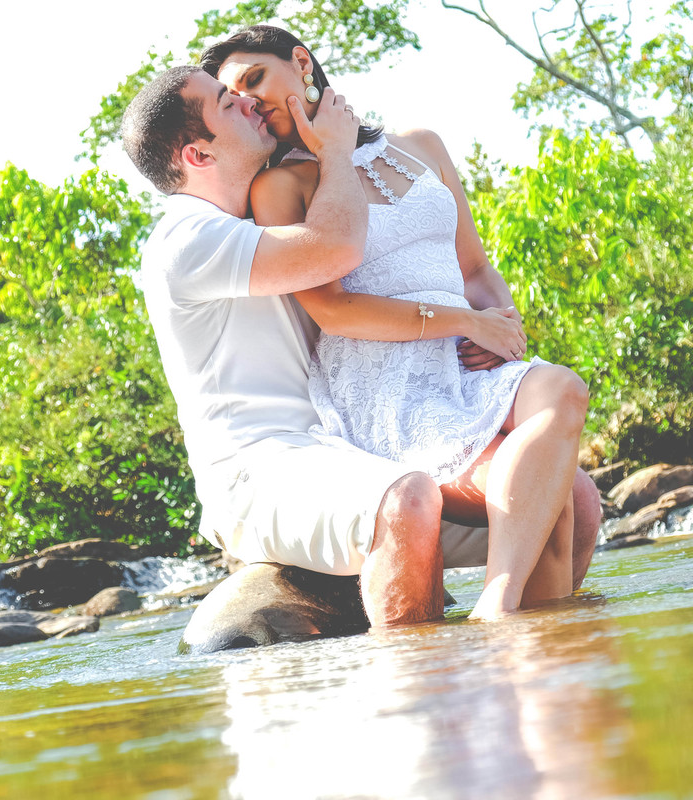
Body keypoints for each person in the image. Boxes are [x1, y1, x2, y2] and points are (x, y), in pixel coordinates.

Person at [122, 64, 598, 629]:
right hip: (261, 470)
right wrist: (337, 153)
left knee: (575, 500)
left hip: (348, 443)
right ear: (197, 156)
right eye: (227, 104)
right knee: (408, 502)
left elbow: (430, 265)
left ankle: (534, 674)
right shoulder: (187, 237)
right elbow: (338, 249)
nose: (248, 103)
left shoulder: (260, 215)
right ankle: (417, 694)